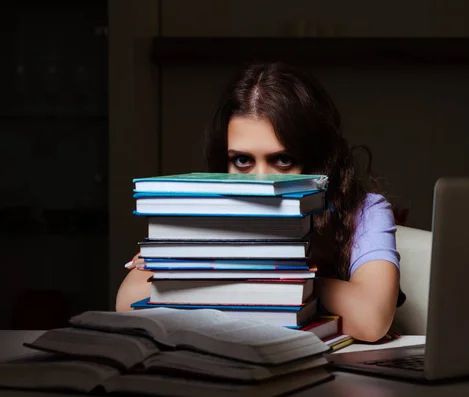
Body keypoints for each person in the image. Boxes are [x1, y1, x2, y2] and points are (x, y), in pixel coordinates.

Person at [116, 62, 404, 342]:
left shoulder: (365, 211)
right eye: (242, 161)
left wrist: (278, 276)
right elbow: (128, 304)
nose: (261, 181)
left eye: (283, 160)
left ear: (317, 160)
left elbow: (371, 319)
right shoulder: (206, 209)